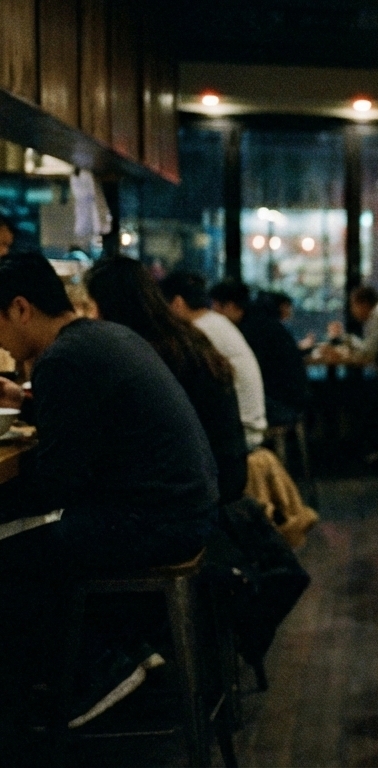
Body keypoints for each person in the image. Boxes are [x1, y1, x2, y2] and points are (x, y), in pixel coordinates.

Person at [0, 251, 219, 739]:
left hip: (156, 522)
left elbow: (60, 482)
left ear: (19, 308)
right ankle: (119, 651)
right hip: (185, 509)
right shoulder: (101, 337)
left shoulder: (63, 359)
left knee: (10, 550)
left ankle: (94, 671)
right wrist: (28, 402)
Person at [85, 258, 249, 505]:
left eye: (91, 307)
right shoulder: (181, 336)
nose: (90, 318)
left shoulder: (146, 352)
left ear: (108, 307)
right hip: (225, 475)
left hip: (197, 496)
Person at [160, 271, 268, 450]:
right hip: (247, 425)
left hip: (239, 434)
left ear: (177, 303)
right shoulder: (215, 322)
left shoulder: (199, 332)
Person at [209, 279, 311, 429]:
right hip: (293, 400)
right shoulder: (261, 322)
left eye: (215, 307)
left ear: (230, 306)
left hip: (282, 405)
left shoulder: (251, 330)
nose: (213, 315)